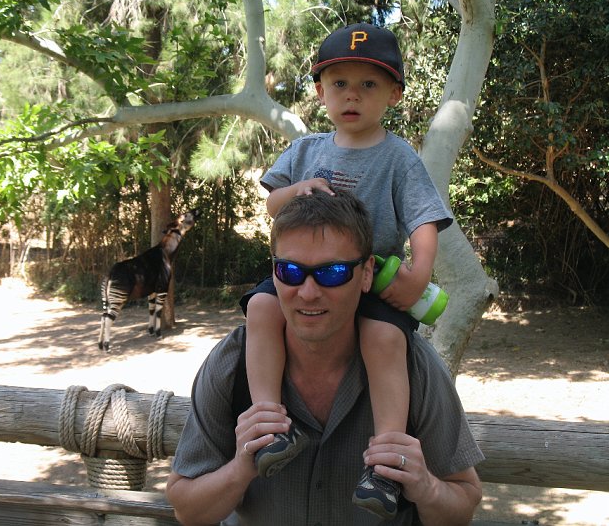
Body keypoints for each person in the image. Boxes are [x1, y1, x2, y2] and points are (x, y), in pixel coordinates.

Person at [238, 22, 454, 519]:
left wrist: (418, 276)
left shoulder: (399, 157)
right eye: (339, 83)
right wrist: (298, 189)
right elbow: (272, 202)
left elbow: (424, 221)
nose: (351, 95)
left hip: (366, 279)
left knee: (384, 341)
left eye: (368, 85)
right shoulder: (307, 149)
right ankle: (272, 425)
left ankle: (386, 462)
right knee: (264, 308)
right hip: (304, 272)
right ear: (319, 91)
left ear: (394, 94)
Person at [166, 190, 484, 525]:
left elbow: (462, 504)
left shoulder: (413, 364)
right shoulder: (232, 362)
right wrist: (240, 468)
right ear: (273, 274)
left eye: (332, 272)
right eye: (289, 270)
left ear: (366, 274)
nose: (308, 292)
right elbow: (187, 510)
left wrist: (426, 487)